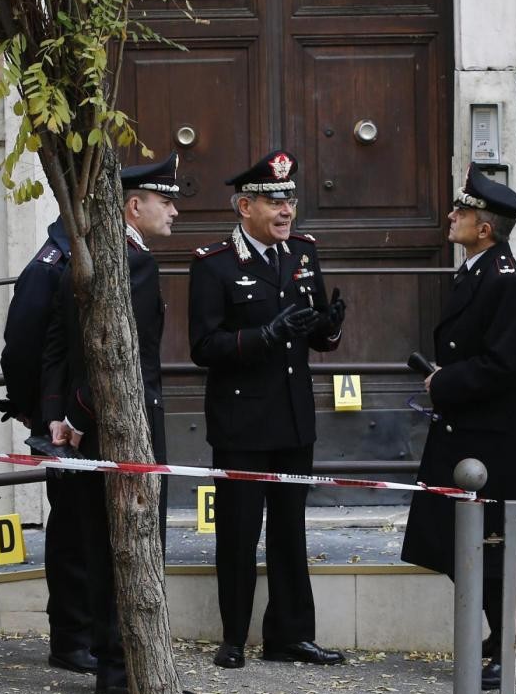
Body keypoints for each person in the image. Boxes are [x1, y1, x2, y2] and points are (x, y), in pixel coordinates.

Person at [187, 149, 348, 670]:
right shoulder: (214, 264)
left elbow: (317, 334)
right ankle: (234, 636)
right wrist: (262, 336)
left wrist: (330, 326)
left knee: (289, 530)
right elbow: (202, 346)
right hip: (242, 423)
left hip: (293, 419)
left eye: (290, 201)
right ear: (243, 207)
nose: (286, 211)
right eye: (273, 201)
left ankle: (291, 635)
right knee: (238, 531)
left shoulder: (301, 252)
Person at [399, 166, 516, 689]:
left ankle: (515, 643)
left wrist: (445, 382)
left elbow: (507, 366)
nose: (450, 217)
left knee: (492, 545)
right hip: (466, 433)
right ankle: (512, 627)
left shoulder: (505, 281)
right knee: (455, 543)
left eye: (460, 212)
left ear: (484, 228)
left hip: (495, 441)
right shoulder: (476, 271)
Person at [40, 154, 179, 694]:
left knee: (100, 549)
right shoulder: (130, 262)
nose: (174, 213)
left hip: (84, 426)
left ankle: (115, 670)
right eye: (166, 203)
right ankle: (123, 673)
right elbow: (122, 358)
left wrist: (58, 414)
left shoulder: (84, 251)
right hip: (120, 428)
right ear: (134, 205)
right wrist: (74, 416)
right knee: (127, 550)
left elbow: (56, 346)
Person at [0, 217, 97, 675]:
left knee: (88, 531)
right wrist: (33, 409)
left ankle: (90, 633)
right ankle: (72, 639)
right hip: (59, 424)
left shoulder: (85, 255)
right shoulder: (50, 264)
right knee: (72, 532)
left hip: (75, 419)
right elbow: (21, 346)